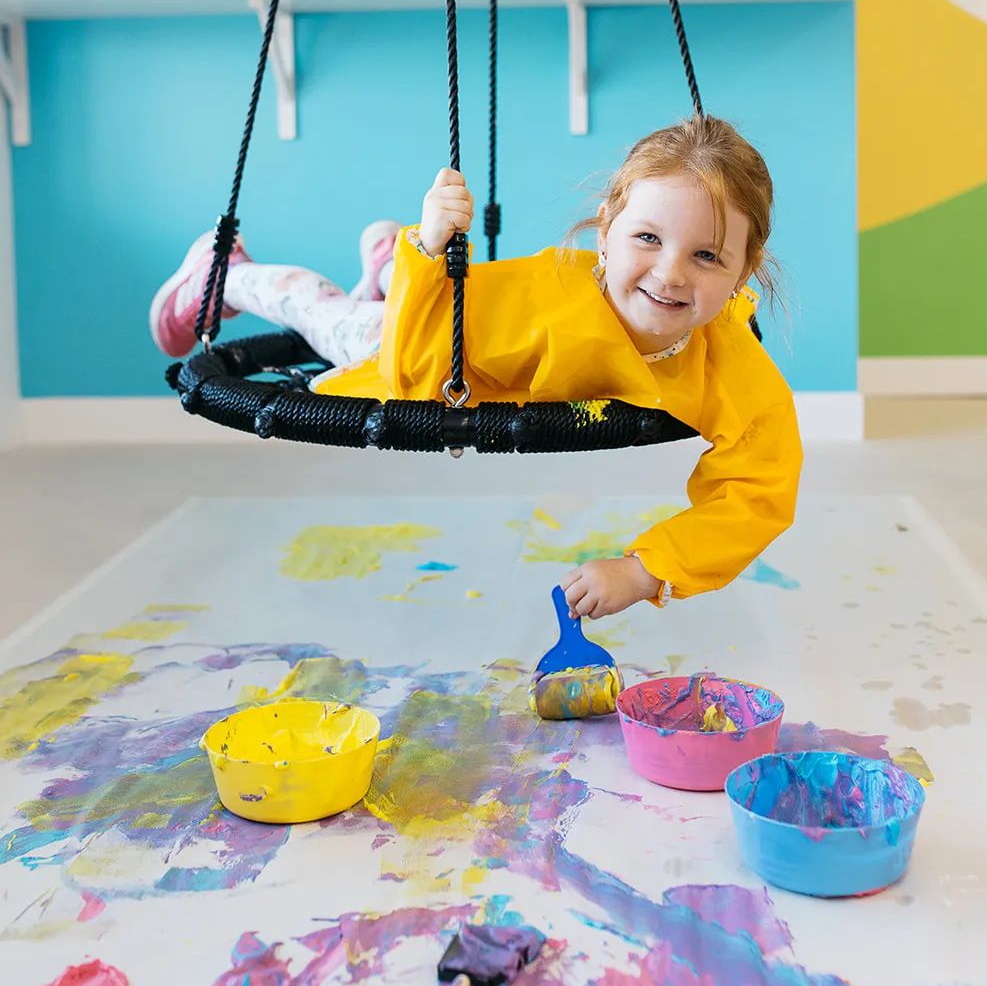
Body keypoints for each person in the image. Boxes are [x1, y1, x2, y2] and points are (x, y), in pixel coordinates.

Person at [150, 113, 802, 619]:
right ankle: (227, 270)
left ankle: (389, 265)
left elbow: (759, 488)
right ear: (605, 231)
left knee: (384, 301)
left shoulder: (729, 355)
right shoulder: (539, 309)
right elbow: (412, 374)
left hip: (473, 328)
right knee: (334, 320)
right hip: (422, 344)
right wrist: (432, 254)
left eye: (706, 256)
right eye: (648, 238)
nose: (670, 274)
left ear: (744, 269)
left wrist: (643, 571)